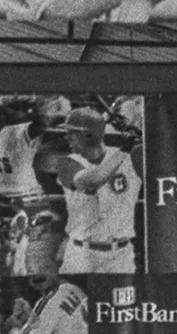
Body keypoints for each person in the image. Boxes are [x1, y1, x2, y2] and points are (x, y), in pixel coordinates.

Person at [44, 107, 140, 274]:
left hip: (121, 255)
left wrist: (138, 134)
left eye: (72, 133)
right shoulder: (66, 162)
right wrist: (125, 148)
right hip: (81, 254)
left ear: (89, 135)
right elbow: (93, 180)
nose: (67, 137)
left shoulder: (131, 158)